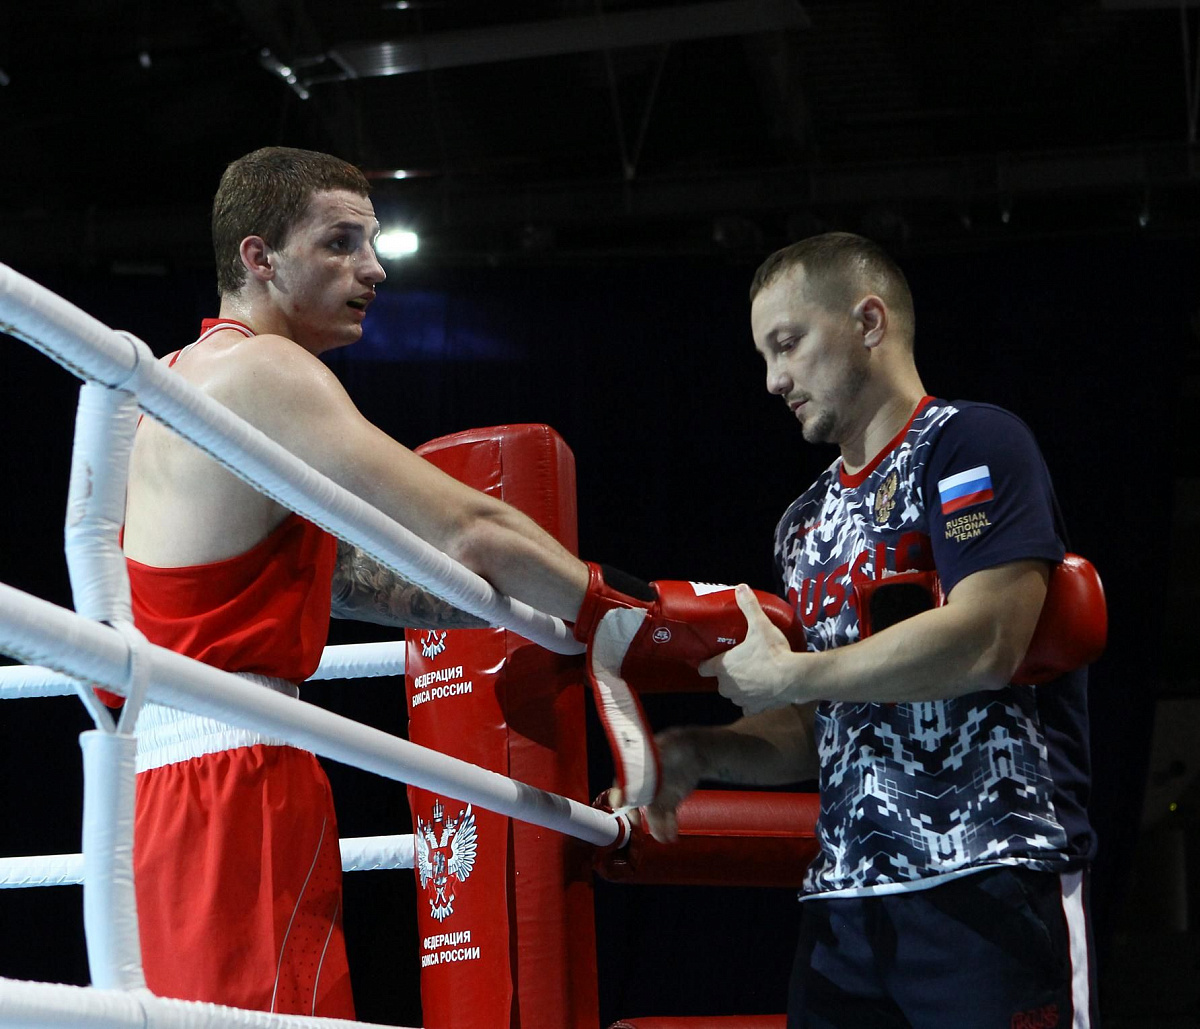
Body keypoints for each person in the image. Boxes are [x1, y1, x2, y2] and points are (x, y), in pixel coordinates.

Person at [120, 146, 592, 1018]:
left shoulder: (178, 379)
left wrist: (529, 613)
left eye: (370, 242)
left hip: (162, 783)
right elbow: (470, 524)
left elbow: (338, 579)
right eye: (340, 242)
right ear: (259, 257)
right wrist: (615, 607)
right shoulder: (267, 370)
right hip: (236, 772)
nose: (373, 269)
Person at [641, 233, 1098, 1028]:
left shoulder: (970, 445)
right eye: (764, 355)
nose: (774, 379)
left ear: (870, 321)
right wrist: (701, 751)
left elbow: (987, 640)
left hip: (991, 876)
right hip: (846, 908)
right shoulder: (802, 521)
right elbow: (825, 724)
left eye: (788, 343)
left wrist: (795, 672)